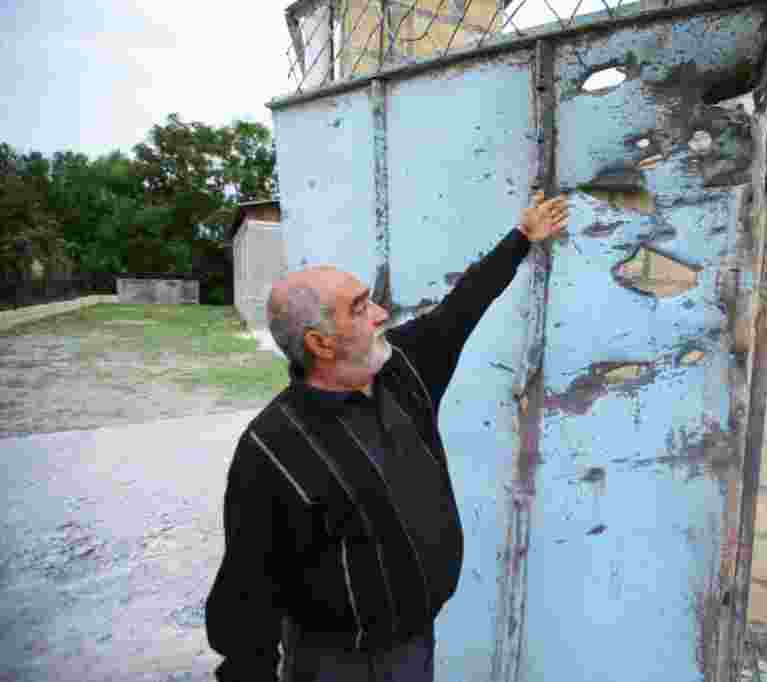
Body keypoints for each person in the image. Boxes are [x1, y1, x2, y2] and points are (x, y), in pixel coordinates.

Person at [204, 192, 570, 682]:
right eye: (359, 308)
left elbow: (461, 307)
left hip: (414, 645)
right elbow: (247, 593)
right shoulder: (272, 449)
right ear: (319, 342)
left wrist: (522, 238)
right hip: (336, 665)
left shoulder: (404, 370)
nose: (379, 313)